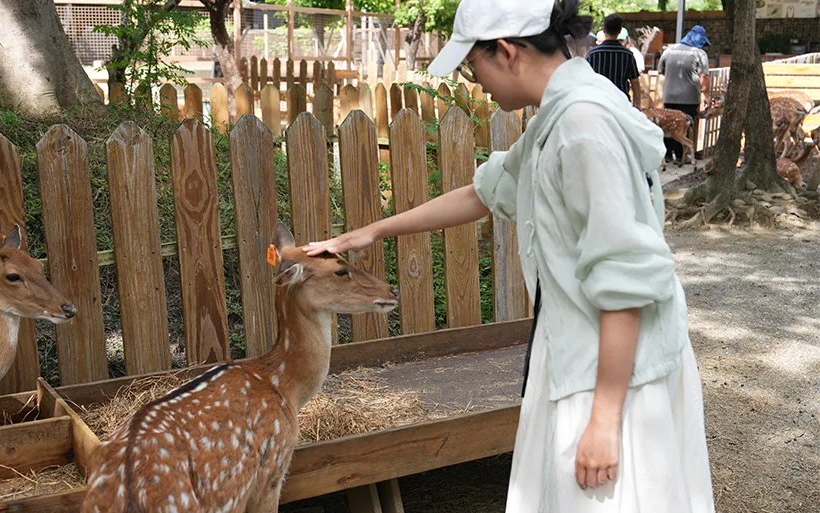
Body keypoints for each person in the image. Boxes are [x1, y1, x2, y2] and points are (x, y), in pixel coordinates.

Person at [304, 0, 716, 511]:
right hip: (579, 349)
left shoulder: (583, 127)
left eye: (472, 64)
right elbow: (486, 191)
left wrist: (606, 423)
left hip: (612, 373)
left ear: (506, 51)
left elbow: (625, 278)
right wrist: (366, 234)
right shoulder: (561, 114)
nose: (474, 80)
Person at [658, 25, 712, 164]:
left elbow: (661, 71)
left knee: (668, 125)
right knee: (685, 127)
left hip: (669, 95)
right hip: (689, 98)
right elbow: (704, 78)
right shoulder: (699, 53)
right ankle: (682, 156)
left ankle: (668, 155)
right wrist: (706, 96)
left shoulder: (668, 50)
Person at [586, 14, 641, 107]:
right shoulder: (627, 55)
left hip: (599, 103)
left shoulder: (592, 54)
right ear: (619, 31)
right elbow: (635, 81)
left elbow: (586, 79)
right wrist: (638, 104)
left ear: (604, 30)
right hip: (622, 103)